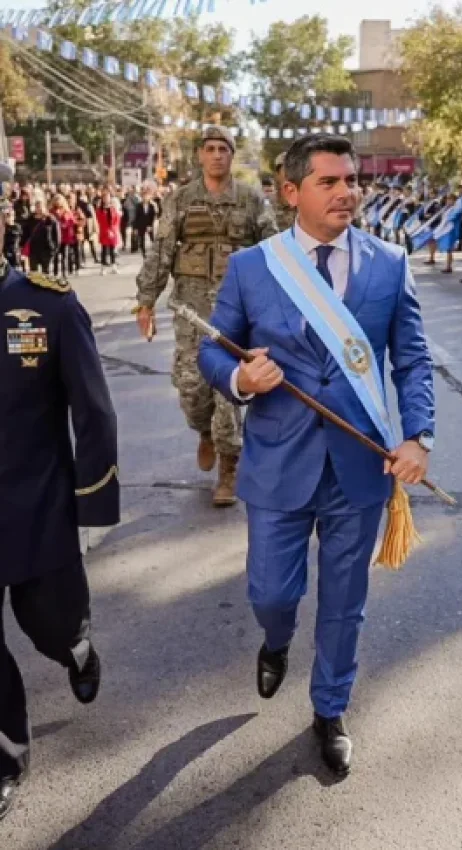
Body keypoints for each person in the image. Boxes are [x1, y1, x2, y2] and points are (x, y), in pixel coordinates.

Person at [198, 133, 435, 777]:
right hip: (278, 459)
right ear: (291, 191)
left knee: (344, 602)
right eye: (329, 182)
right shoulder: (255, 266)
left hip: (361, 463)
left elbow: (411, 359)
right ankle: (276, 640)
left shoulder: (389, 262)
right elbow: (214, 350)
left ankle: (330, 707)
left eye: (351, 180)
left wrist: (418, 436)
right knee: (271, 591)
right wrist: (242, 381)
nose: (346, 192)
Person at [0, 181, 119, 821]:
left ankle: (76, 646)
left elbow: (93, 411)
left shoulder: (45, 305)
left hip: (36, 507)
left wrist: (95, 505)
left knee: (49, 620)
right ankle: (6, 754)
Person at [135, 126, 277, 507]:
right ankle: (205, 432)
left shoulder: (250, 200)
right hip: (191, 309)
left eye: (223, 149)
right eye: (210, 149)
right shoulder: (180, 200)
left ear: (231, 155)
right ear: (200, 155)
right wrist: (145, 301)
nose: (217, 155)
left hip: (236, 309)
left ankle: (229, 467)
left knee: (228, 389)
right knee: (192, 389)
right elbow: (162, 249)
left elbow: (273, 249)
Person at [23, 200, 59, 275]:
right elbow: (25, 234)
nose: (39, 209)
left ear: (45, 208)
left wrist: (54, 249)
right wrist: (22, 246)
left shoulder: (51, 220)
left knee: (46, 273)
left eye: (41, 207)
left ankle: (45, 287)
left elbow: (57, 236)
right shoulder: (30, 219)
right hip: (33, 250)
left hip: (46, 250)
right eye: (37, 207)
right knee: (34, 273)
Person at [95, 189, 121, 274]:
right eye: (105, 198)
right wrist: (107, 231)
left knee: (112, 250)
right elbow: (100, 221)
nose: (106, 199)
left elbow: (117, 220)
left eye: (108, 197)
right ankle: (103, 267)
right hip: (104, 232)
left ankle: (114, 266)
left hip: (113, 232)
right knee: (104, 250)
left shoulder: (113, 208)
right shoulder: (100, 210)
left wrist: (113, 230)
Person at [134, 189, 158, 258]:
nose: (145, 197)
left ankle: (154, 251)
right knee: (142, 239)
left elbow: (153, 216)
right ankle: (144, 253)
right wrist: (135, 227)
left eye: (147, 196)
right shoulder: (139, 205)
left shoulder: (152, 205)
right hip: (140, 225)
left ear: (149, 197)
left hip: (149, 225)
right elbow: (136, 216)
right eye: (144, 196)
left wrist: (150, 225)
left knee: (152, 238)